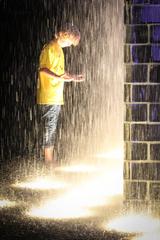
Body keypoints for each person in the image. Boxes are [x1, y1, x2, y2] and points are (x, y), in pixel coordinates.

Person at [37, 24, 84, 168]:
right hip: (48, 95)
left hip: (56, 97)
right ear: (65, 35)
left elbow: (60, 73)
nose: (70, 45)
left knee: (51, 127)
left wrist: (73, 77)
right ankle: (48, 161)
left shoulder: (59, 51)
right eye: (70, 42)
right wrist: (60, 78)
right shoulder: (49, 48)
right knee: (49, 128)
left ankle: (49, 160)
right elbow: (42, 70)